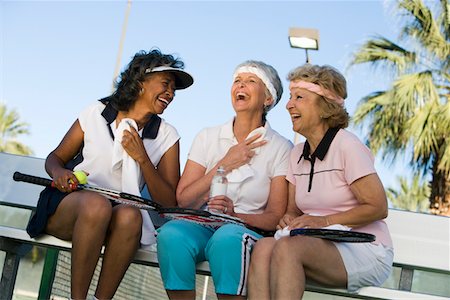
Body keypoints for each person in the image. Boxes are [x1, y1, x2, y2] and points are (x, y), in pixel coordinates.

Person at [26, 49, 193, 300]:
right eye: (166, 84)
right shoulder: (97, 111)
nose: (170, 93)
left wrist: (142, 158)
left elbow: (168, 203)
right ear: (140, 81)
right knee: (97, 204)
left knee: (131, 216)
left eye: (174, 90)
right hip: (70, 206)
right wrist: (59, 173)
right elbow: (56, 157)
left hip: (115, 217)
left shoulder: (167, 135)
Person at [247, 64, 394, 299]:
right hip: (315, 244)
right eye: (291, 97)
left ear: (324, 107)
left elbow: (378, 207)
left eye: (299, 97)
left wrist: (323, 220)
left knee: (287, 249)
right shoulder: (296, 154)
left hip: (365, 249)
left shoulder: (348, 146)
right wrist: (289, 219)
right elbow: (293, 211)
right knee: (263, 248)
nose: (288, 104)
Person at [156, 60, 293, 299]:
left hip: (244, 231)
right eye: (237, 80)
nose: (241, 85)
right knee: (171, 235)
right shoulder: (207, 137)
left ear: (268, 99)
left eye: (251, 81)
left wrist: (234, 216)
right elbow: (184, 199)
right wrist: (224, 164)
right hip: (202, 225)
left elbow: (275, 217)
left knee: (226, 239)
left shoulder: (281, 147)